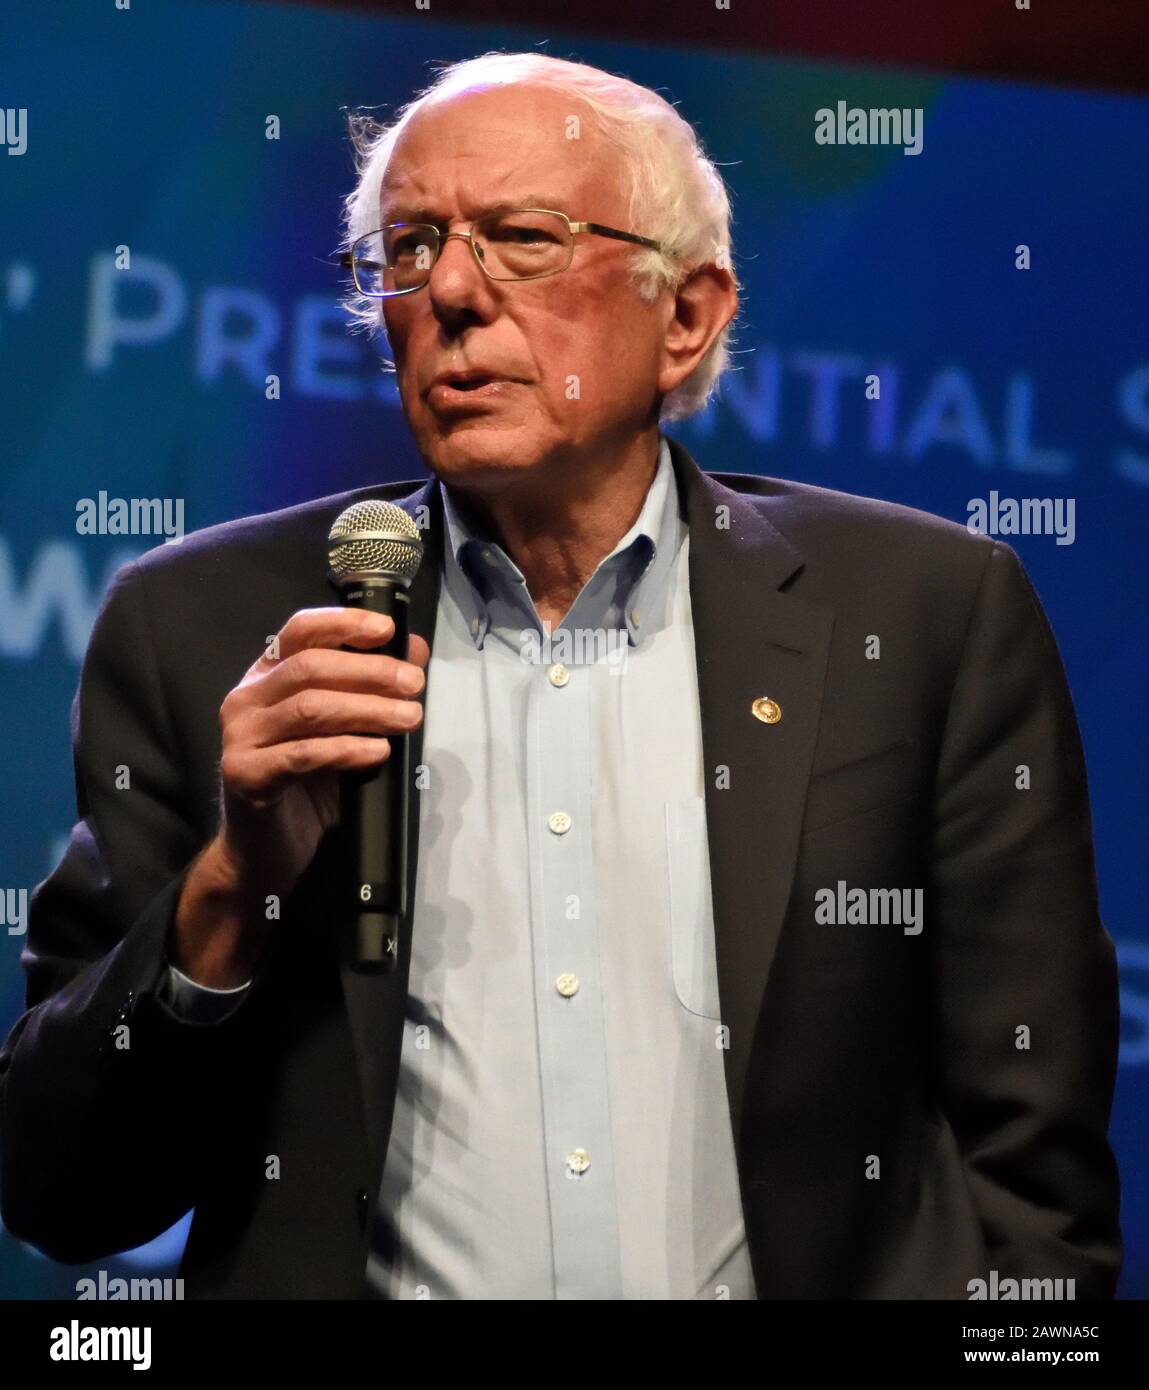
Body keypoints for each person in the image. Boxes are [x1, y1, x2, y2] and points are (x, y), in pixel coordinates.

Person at [0, 52, 1121, 1299]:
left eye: (525, 238)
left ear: (686, 314)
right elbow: (64, 1187)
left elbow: (1036, 1167)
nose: (457, 292)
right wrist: (229, 890)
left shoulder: (926, 614)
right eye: (412, 247)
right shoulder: (204, 623)